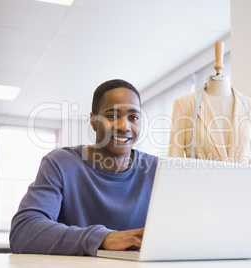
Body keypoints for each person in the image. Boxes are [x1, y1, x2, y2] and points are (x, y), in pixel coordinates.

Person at [9, 79, 158, 256]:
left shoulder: (157, 170)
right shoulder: (60, 163)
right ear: (94, 122)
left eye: (133, 117)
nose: (124, 126)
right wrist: (103, 239)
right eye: (111, 116)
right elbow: (24, 232)